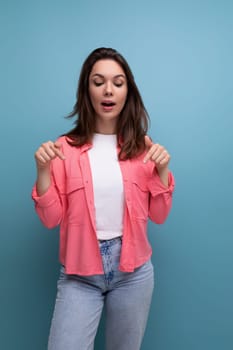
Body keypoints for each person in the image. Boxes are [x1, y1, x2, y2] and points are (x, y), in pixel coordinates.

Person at [32, 47, 175, 350]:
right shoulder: (64, 149)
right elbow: (50, 219)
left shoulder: (142, 148)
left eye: (118, 82)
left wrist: (162, 171)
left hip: (133, 274)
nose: (108, 90)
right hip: (79, 274)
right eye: (98, 82)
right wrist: (43, 171)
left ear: (127, 91)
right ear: (87, 90)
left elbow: (159, 215)